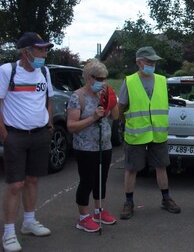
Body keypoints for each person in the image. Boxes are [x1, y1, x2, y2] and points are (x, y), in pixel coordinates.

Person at [0, 32, 54, 252]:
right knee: (15, 185)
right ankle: (9, 232)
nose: (44, 53)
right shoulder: (7, 71)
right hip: (15, 135)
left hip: (40, 134)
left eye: (45, 49)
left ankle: (29, 222)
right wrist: (4, 134)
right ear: (25, 52)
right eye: (39, 49)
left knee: (32, 180)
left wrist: (49, 126)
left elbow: (48, 99)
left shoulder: (44, 71)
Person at [118, 46, 180, 220]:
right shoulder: (129, 81)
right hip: (136, 133)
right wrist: (128, 123)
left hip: (158, 133)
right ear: (139, 62)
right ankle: (129, 202)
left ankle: (166, 199)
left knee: (161, 167)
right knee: (131, 169)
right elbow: (120, 109)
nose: (153, 64)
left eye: (154, 61)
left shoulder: (161, 80)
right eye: (149, 61)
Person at [67, 60, 119, 232]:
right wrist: (93, 118)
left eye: (105, 78)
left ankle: (99, 211)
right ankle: (83, 217)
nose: (103, 82)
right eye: (99, 78)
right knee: (87, 181)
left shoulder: (103, 94)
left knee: (101, 180)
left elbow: (115, 116)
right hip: (85, 147)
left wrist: (112, 100)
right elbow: (71, 126)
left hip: (104, 145)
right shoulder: (78, 97)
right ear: (89, 78)